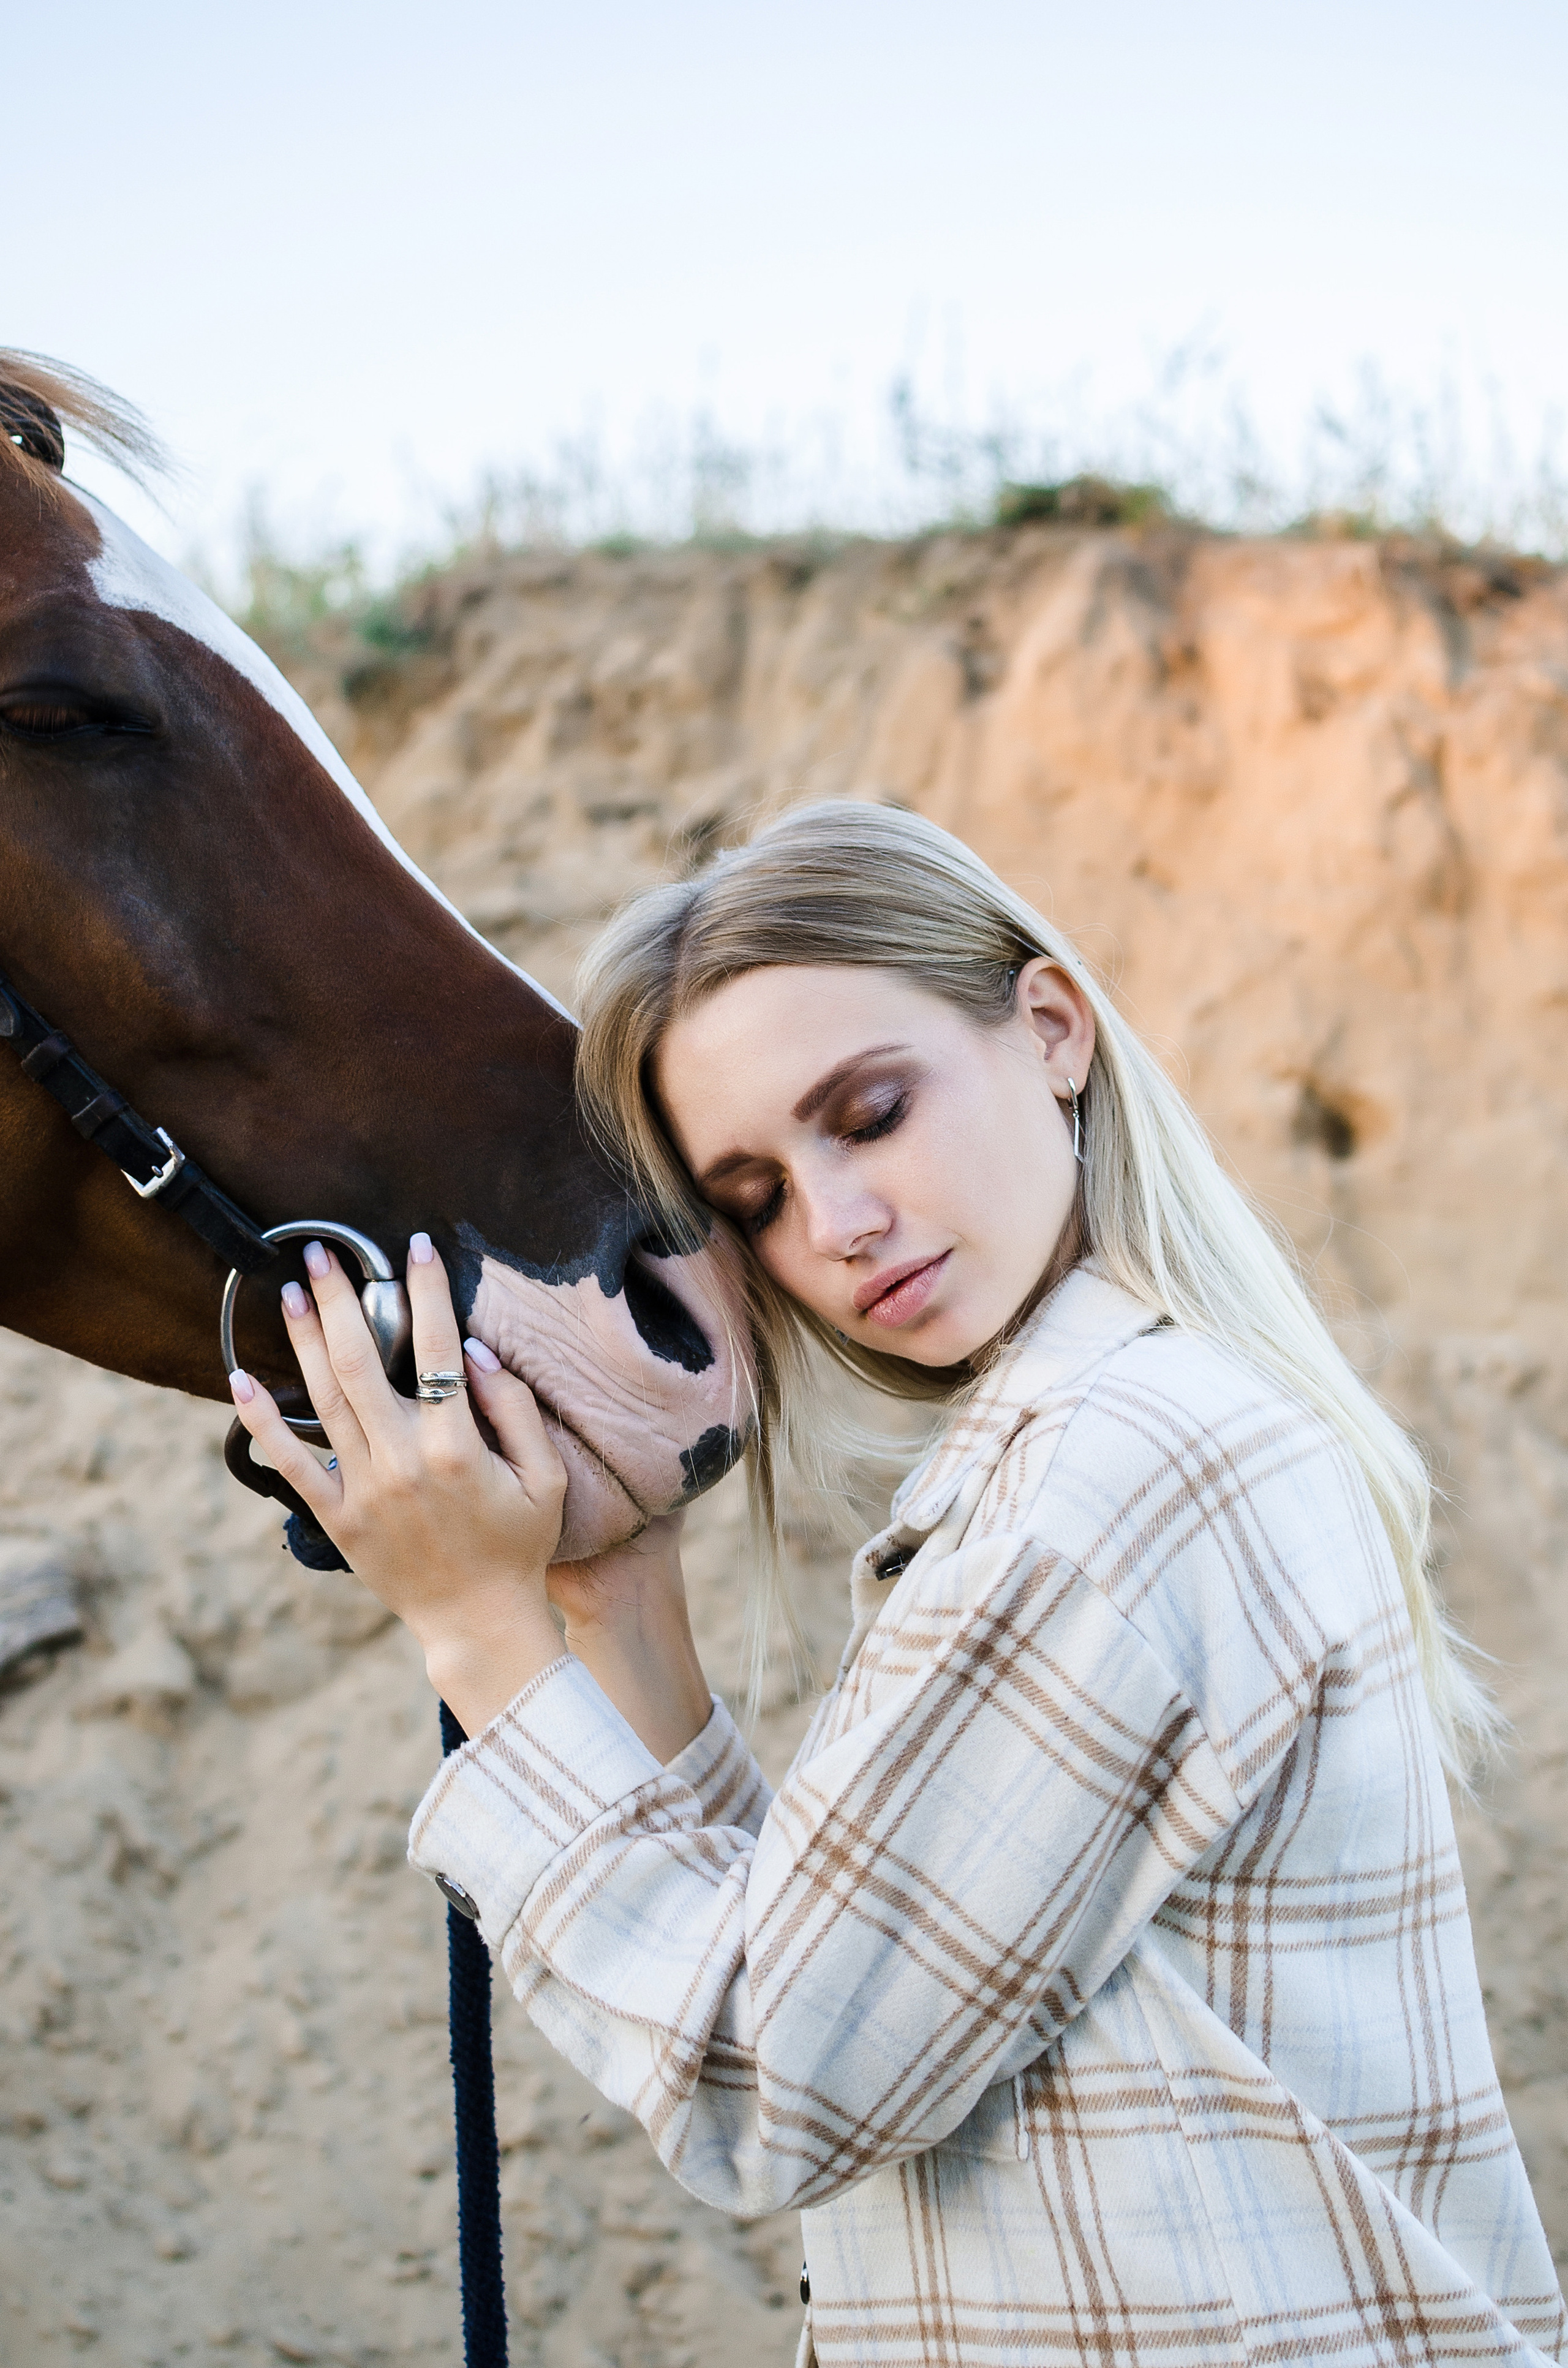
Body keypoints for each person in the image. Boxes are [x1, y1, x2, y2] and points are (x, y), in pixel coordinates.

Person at [228, 801, 1565, 2367]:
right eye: (753, 1200)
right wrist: (616, 1594)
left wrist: (472, 1622)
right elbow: (824, 1965)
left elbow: (775, 2084)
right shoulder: (1134, 1427)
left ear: (1051, 1029)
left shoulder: (1101, 1479)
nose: (836, 1226)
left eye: (866, 1113)